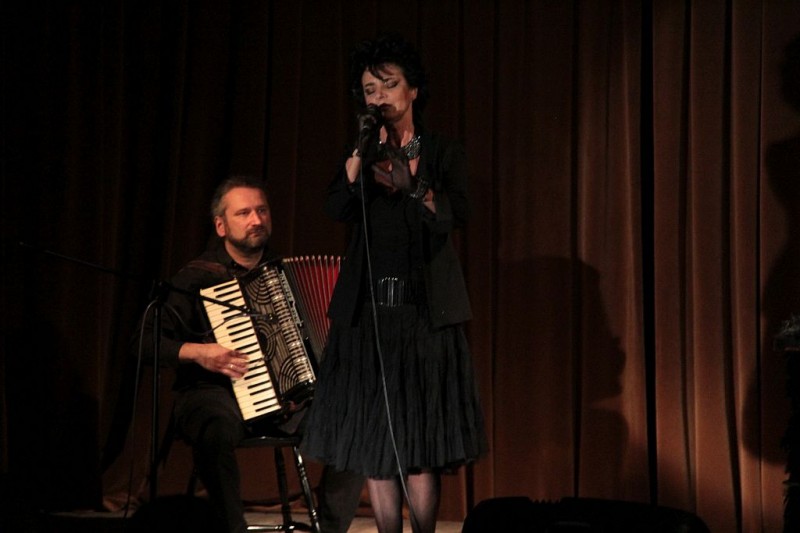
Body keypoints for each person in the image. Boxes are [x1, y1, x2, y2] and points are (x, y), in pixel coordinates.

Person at [300, 34, 487, 533]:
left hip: (424, 318)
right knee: (375, 442)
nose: (379, 96)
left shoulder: (441, 151)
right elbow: (335, 206)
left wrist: (415, 187)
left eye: (388, 84)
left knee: (419, 444)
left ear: (413, 90)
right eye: (370, 89)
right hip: (368, 319)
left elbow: (456, 214)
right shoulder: (361, 154)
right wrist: (358, 154)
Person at [139, 175, 363, 533]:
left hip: (285, 404)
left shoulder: (286, 274)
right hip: (212, 394)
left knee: (355, 421)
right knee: (214, 431)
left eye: (262, 210)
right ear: (221, 226)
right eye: (243, 213)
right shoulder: (196, 279)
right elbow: (146, 342)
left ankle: (331, 530)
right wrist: (199, 352)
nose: (256, 220)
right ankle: (233, 529)